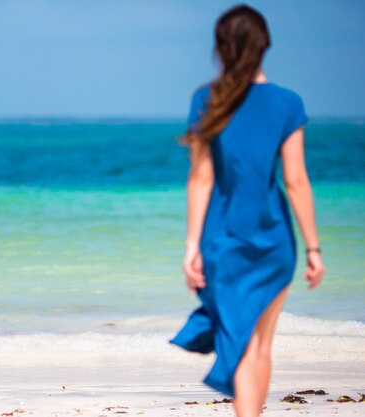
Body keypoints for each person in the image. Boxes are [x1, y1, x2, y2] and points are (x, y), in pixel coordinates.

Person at [170, 5, 325, 417]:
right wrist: (313, 249)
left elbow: (200, 180)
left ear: (220, 47)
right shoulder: (287, 103)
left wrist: (191, 246)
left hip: (224, 240)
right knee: (260, 345)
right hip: (275, 243)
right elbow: (296, 181)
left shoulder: (208, 98)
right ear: (264, 45)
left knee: (239, 340)